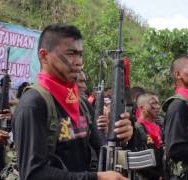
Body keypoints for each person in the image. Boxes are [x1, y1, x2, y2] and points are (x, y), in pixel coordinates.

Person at [13, 24, 132, 180]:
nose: (78, 62)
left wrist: (123, 135)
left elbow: (102, 148)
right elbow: (33, 174)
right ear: (44, 56)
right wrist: (96, 178)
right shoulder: (33, 104)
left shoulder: (81, 104)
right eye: (71, 54)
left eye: (80, 55)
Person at [133, 92, 163, 179]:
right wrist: (156, 176)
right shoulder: (136, 128)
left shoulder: (161, 127)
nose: (157, 107)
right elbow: (137, 160)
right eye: (153, 103)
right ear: (142, 107)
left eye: (158, 103)